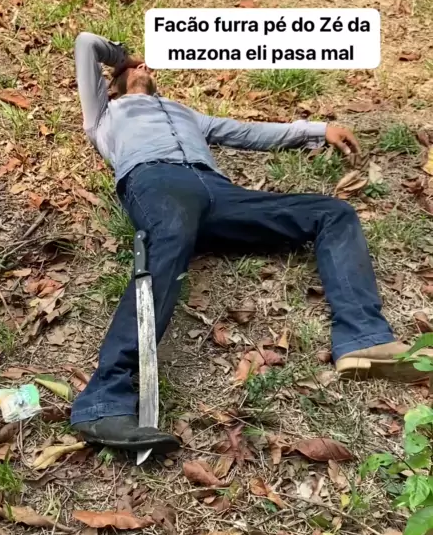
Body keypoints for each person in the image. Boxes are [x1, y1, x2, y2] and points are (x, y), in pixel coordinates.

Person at [71, 31, 429, 454]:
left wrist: (319, 129)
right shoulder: (104, 115)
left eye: (148, 69)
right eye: (134, 70)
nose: (144, 70)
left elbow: (249, 132)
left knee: (332, 212)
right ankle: (103, 402)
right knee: (167, 241)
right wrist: (126, 58)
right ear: (112, 83)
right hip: (156, 181)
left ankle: (364, 339)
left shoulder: (186, 113)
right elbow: (87, 43)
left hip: (220, 195)